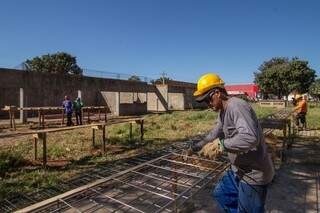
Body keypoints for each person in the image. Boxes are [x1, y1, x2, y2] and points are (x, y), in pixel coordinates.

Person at [189, 73, 274, 213]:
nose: (207, 104)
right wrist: (197, 146)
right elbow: (215, 133)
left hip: (253, 173)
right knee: (221, 194)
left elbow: (251, 137)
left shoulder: (236, 106)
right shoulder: (223, 111)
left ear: (217, 93)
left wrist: (221, 145)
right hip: (238, 169)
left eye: (208, 99)